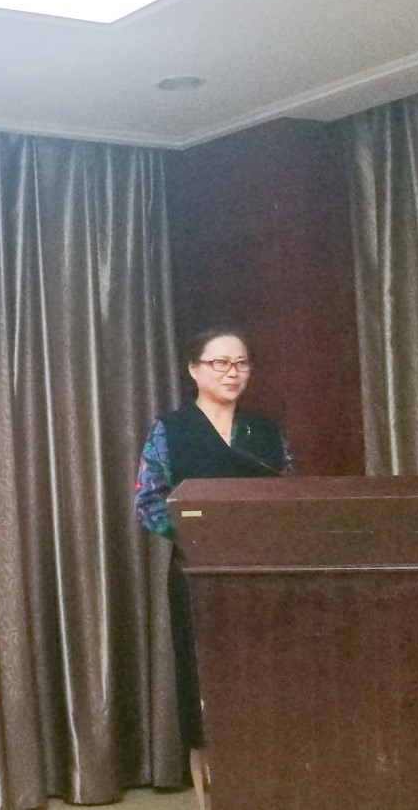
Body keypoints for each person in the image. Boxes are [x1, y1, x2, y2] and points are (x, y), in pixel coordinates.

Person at [134, 327, 294, 810]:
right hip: (197, 575)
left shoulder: (265, 432)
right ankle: (211, 801)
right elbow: (148, 503)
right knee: (202, 689)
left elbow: (290, 496)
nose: (232, 373)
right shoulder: (171, 430)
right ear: (194, 369)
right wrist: (200, 537)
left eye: (241, 363)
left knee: (264, 685)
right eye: (220, 363)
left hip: (261, 575)